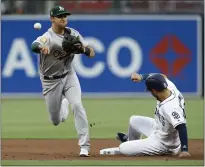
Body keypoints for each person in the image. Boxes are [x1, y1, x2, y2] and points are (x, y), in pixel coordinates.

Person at [31, 5, 95, 157]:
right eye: (59, 16)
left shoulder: (73, 33)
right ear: (52, 19)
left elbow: (91, 53)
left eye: (65, 15)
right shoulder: (48, 37)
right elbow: (35, 45)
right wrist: (41, 49)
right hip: (50, 81)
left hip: (69, 75)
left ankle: (84, 146)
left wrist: (83, 50)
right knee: (56, 120)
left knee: (78, 105)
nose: (63, 18)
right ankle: (64, 103)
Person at [100, 73, 191, 158]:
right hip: (159, 128)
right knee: (134, 120)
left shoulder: (170, 107)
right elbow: (161, 76)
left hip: (165, 143)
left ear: (154, 91)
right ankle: (133, 143)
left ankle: (134, 147)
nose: (150, 93)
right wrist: (141, 77)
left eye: (150, 91)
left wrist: (184, 150)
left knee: (123, 148)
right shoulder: (170, 87)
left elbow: (182, 126)